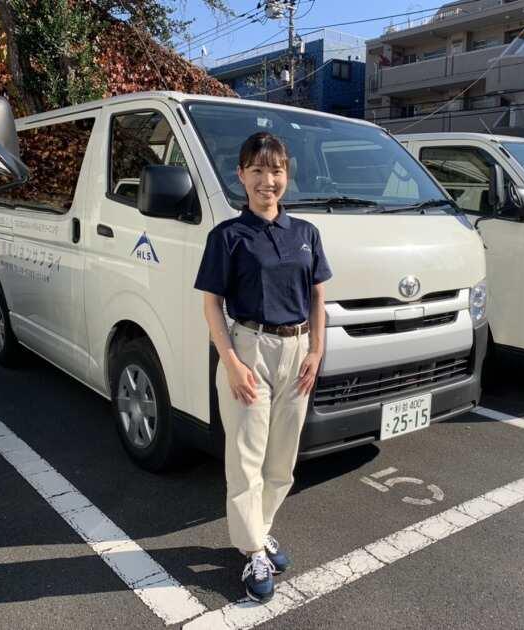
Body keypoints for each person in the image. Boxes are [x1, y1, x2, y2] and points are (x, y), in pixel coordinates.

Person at [194, 132, 332, 603]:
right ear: (241, 176)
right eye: (256, 170)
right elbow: (212, 305)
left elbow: (318, 298)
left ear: (286, 176)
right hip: (248, 349)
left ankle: (262, 528)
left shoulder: (306, 234)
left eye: (275, 171)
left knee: (281, 461)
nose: (266, 181)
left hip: (297, 354)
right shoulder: (228, 237)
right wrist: (229, 361)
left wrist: (316, 350)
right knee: (246, 458)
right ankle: (252, 549)